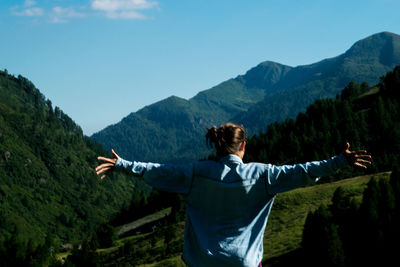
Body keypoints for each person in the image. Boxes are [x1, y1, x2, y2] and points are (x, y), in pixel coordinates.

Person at [95, 122, 371, 267]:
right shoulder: (263, 175)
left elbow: (158, 171)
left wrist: (123, 164)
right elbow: (304, 171)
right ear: (243, 146)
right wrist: (339, 161)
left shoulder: (195, 174)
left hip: (202, 263)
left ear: (217, 145)